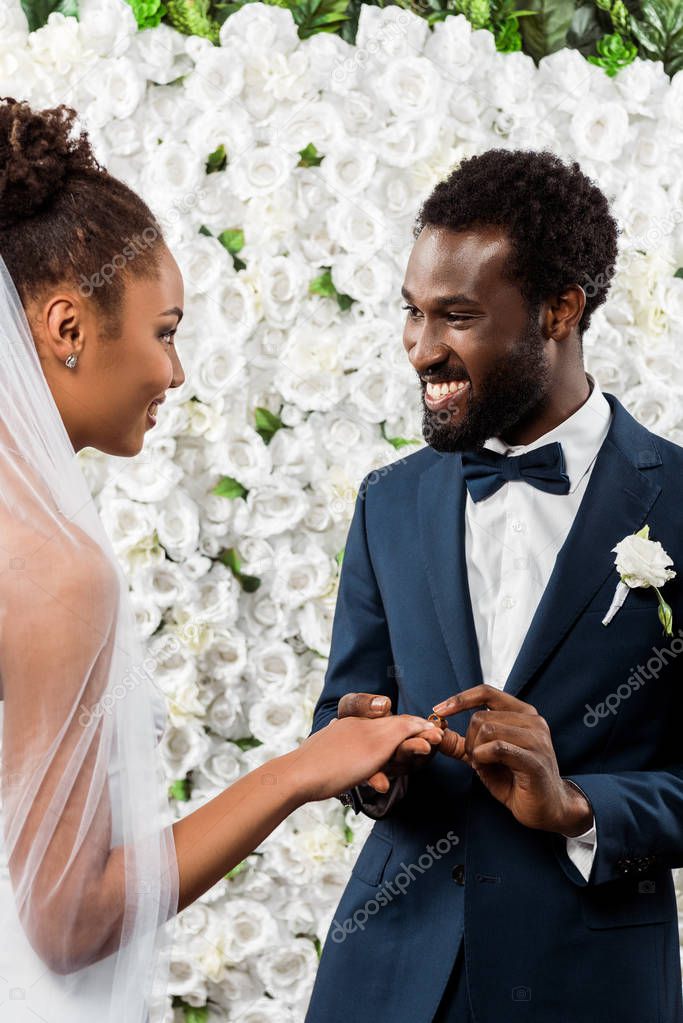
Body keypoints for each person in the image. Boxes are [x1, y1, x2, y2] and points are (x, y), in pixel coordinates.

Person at [0, 95, 443, 1023]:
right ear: (69, 328)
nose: (177, 372)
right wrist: (296, 771)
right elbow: (69, 918)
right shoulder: (54, 570)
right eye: (165, 331)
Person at [305, 149, 683, 1023]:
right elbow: (341, 712)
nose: (419, 349)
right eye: (411, 312)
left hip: (590, 986)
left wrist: (578, 803)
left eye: (456, 315)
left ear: (560, 310)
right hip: (388, 979)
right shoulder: (387, 502)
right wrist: (369, 767)